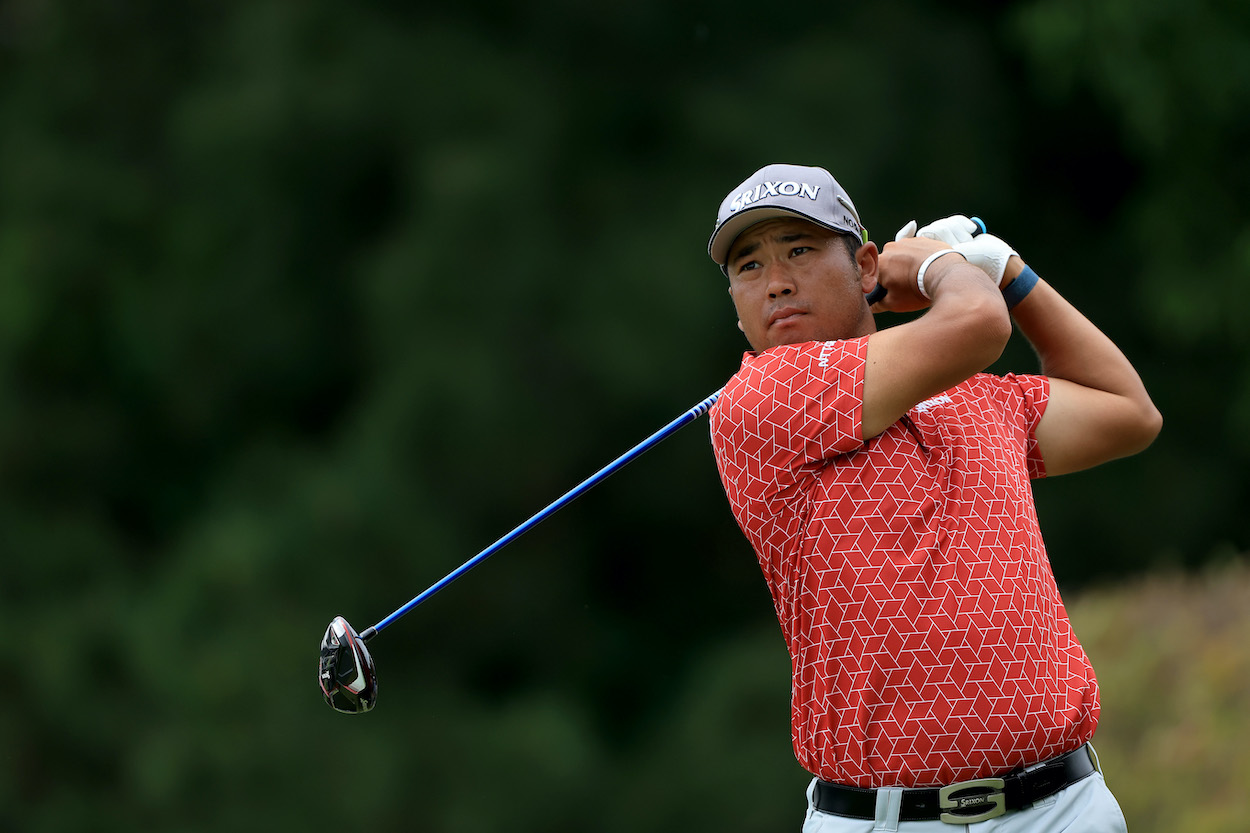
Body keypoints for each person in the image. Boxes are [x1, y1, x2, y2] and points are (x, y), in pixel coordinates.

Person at [705, 163, 1161, 832]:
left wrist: (1011, 272)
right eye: (749, 266)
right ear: (737, 306)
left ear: (865, 266)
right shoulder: (760, 401)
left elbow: (1128, 412)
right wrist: (945, 269)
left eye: (799, 250)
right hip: (881, 820)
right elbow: (978, 323)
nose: (776, 280)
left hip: (1064, 808)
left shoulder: (978, 398)